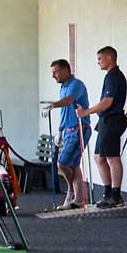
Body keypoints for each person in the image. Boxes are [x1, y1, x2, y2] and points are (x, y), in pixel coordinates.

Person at [79, 46, 127, 208]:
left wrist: (87, 111)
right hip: (105, 120)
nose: (98, 62)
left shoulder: (114, 77)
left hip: (113, 119)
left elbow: (107, 102)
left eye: (100, 59)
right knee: (99, 157)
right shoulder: (110, 76)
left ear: (109, 58)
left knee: (112, 157)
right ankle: (108, 193)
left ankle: (116, 195)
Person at [42, 58, 90, 211]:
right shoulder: (63, 87)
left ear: (65, 70)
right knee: (73, 164)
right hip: (68, 130)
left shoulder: (76, 85)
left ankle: (70, 192)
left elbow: (69, 101)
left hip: (79, 128)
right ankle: (78, 199)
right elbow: (65, 112)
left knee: (62, 163)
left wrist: (53, 105)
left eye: (55, 72)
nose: (53, 76)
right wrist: (60, 130)